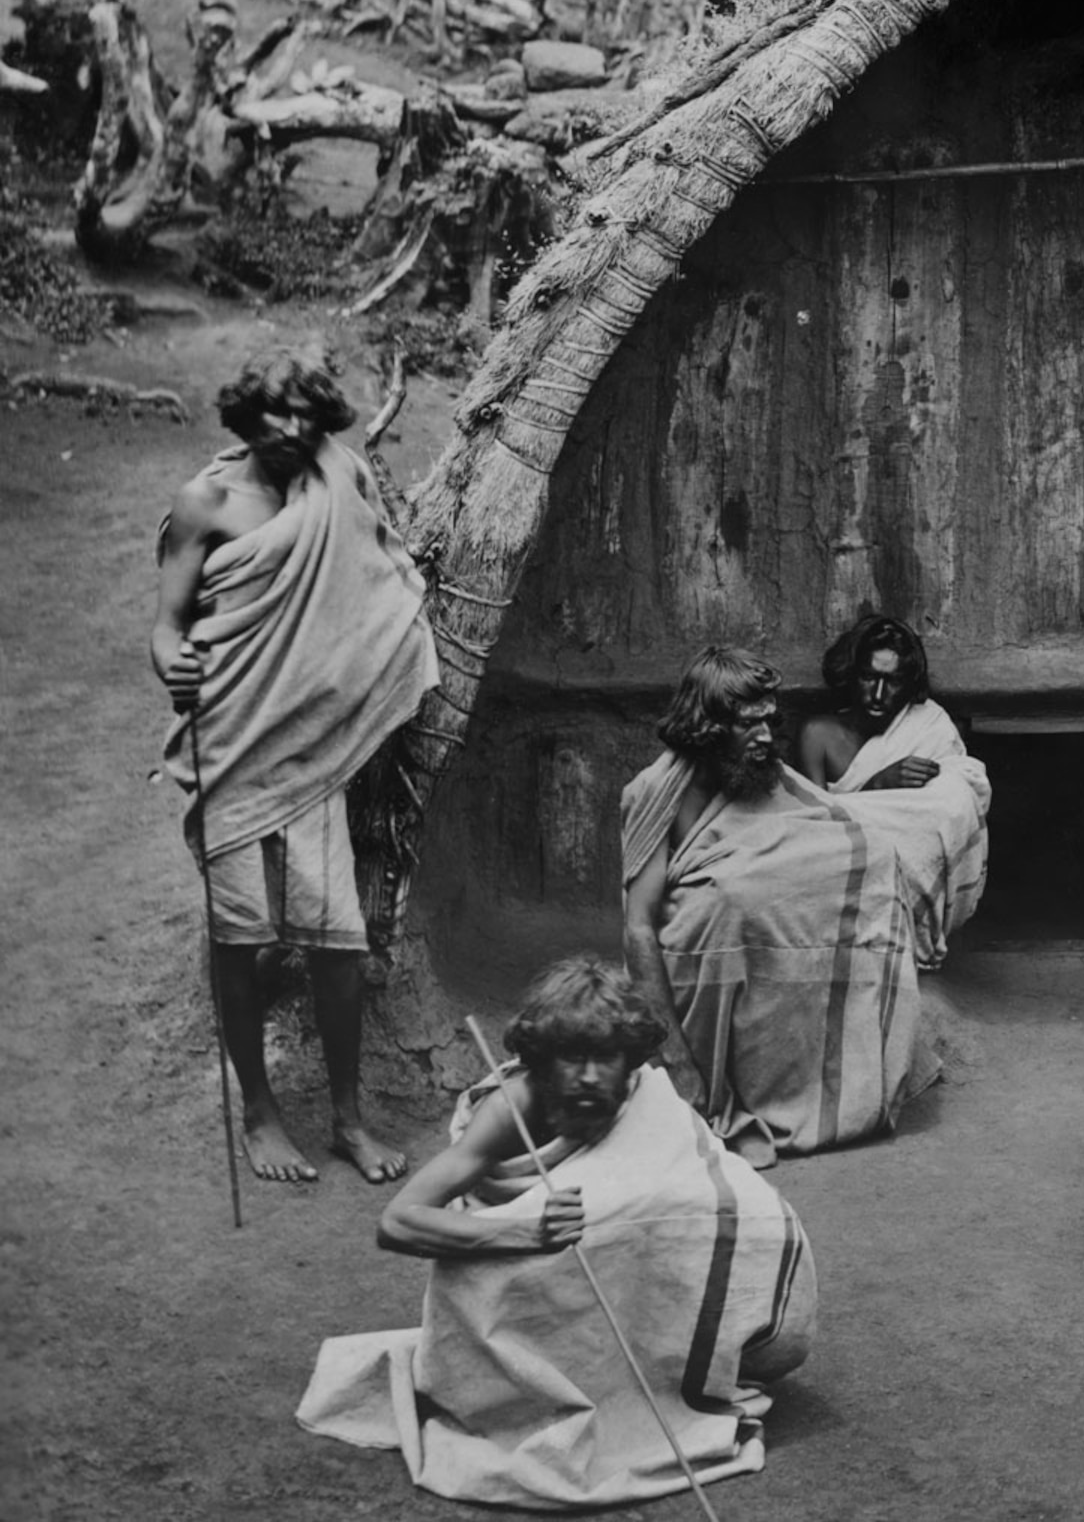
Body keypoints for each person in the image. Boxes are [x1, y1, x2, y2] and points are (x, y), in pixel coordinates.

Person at [298, 958, 817, 1508]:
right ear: (543, 1063)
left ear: (631, 1061)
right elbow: (397, 1220)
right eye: (573, 1057)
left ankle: (673, 1362)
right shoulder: (508, 1112)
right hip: (528, 1246)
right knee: (558, 1244)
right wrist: (526, 1234)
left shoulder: (646, 1101)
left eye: (606, 1058)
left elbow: (702, 1191)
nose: (591, 1077)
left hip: (605, 1262)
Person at [153, 350, 438, 1185]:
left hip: (311, 748)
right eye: (276, 416)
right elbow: (169, 627)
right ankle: (261, 1113)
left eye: (309, 420)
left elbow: (380, 575)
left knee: (337, 943)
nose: (292, 434)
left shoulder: (335, 480)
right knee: (238, 936)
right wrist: (173, 665)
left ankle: (349, 1119)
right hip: (232, 743)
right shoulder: (205, 503)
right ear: (244, 416)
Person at [620, 645, 928, 1164]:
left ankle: (836, 1082)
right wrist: (675, 1059)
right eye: (747, 725)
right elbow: (638, 928)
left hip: (761, 945)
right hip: (697, 951)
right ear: (710, 727)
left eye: (769, 720)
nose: (766, 736)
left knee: (874, 857)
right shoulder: (655, 792)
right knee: (728, 905)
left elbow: (826, 831)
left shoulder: (761, 773)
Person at [796, 613, 993, 968]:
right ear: (852, 675)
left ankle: (910, 933)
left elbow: (953, 804)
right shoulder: (819, 735)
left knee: (953, 790)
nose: (879, 694)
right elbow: (812, 832)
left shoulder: (928, 725)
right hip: (841, 882)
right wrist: (877, 786)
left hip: (902, 883)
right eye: (869, 677)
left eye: (893, 682)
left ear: (908, 685)